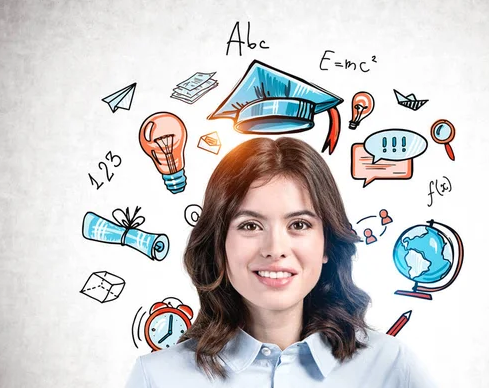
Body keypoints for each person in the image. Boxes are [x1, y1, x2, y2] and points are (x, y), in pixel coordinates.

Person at [126, 137, 437, 387]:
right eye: (250, 225)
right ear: (218, 244)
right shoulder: (157, 377)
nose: (275, 249)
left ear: (327, 243)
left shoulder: (392, 367)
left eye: (299, 225)